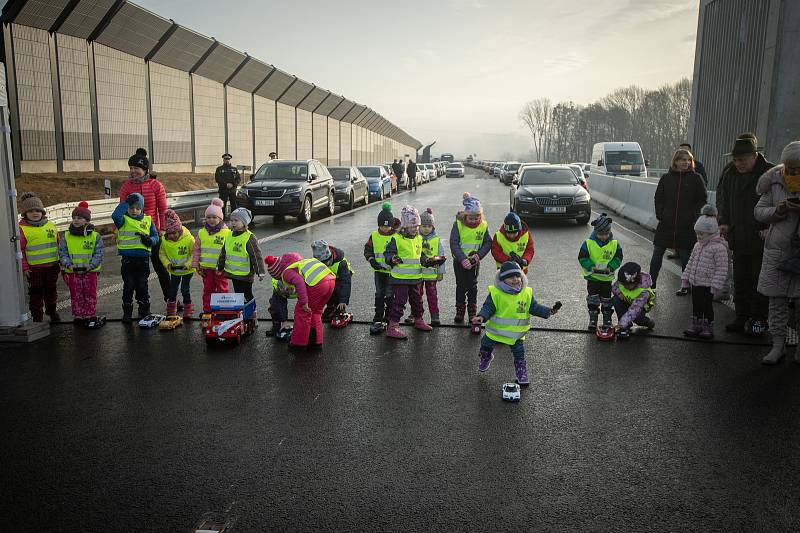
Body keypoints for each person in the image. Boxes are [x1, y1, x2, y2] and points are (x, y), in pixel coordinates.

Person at [717, 136, 774, 335]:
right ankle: (741, 315)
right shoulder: (730, 173)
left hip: (761, 238)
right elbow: (722, 198)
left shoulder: (770, 172)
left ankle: (759, 319)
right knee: (740, 279)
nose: (738, 163)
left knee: (759, 281)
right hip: (738, 235)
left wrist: (769, 227)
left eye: (742, 159)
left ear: (754, 155)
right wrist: (723, 221)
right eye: (736, 159)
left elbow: (777, 203)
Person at [471, 260, 558, 385]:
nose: (515, 279)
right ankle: (486, 356)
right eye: (511, 277)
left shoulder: (526, 293)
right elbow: (488, 307)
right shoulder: (496, 293)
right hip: (496, 331)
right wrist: (481, 317)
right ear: (502, 279)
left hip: (517, 334)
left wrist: (548, 311)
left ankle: (521, 371)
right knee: (485, 344)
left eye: (518, 276)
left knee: (519, 353)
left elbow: (534, 307)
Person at [754, 141, 800, 364]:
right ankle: (778, 345)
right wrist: (778, 210)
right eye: (790, 166)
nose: (793, 171)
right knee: (777, 302)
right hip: (777, 251)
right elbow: (759, 212)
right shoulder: (774, 181)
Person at [649, 148, 707, 293]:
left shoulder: (696, 178)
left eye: (688, 160)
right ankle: (651, 284)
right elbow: (658, 198)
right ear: (675, 161)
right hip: (666, 224)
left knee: (685, 255)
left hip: (686, 225)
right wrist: (661, 214)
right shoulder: (666, 178)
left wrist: (693, 216)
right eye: (682, 160)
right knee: (657, 253)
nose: (686, 163)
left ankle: (686, 286)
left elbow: (702, 199)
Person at [118, 148, 169, 305]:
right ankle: (138, 303)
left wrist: (162, 229)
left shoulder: (156, 185)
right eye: (131, 168)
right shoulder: (127, 187)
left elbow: (163, 210)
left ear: (145, 169)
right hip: (133, 237)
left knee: (161, 268)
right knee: (136, 274)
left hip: (153, 234)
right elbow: (121, 210)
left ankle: (170, 299)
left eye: (136, 169)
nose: (133, 171)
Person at [264, 252, 335, 350]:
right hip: (330, 280)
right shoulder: (301, 263)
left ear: (278, 273)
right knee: (315, 312)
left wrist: (304, 301)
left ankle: (299, 344)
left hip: (317, 284)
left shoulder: (286, 272)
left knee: (302, 312)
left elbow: (299, 282)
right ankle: (315, 342)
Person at [680, 205, 729, 340]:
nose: (698, 236)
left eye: (702, 234)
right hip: (696, 282)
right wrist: (685, 279)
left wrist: (716, 286)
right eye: (697, 233)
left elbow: (722, 269)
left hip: (708, 284)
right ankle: (696, 325)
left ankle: (708, 327)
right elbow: (690, 263)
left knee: (707, 306)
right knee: (696, 304)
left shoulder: (719, 248)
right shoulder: (697, 246)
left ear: (712, 232)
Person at [384, 205, 433, 339]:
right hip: (400, 278)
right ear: (404, 226)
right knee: (399, 302)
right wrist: (392, 258)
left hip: (416, 277)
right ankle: (393, 327)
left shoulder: (419, 238)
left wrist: (427, 261)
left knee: (417, 301)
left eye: (417, 226)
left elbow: (420, 255)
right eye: (412, 226)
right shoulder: (397, 239)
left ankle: (418, 320)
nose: (415, 229)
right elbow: (388, 253)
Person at [112, 192, 160, 323]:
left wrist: (150, 241)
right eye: (131, 207)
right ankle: (127, 311)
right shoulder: (123, 220)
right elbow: (115, 215)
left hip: (143, 260)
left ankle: (144, 308)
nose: (134, 210)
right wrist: (126, 202)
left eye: (138, 208)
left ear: (142, 208)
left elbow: (156, 237)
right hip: (128, 260)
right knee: (129, 286)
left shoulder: (148, 220)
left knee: (142, 285)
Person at [58, 201, 103, 327]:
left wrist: (92, 265)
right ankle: (78, 315)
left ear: (87, 221)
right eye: (74, 218)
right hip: (73, 272)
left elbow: (98, 253)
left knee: (90, 293)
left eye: (80, 218)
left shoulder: (95, 236)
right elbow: (62, 253)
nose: (76, 220)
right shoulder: (66, 236)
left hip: (90, 271)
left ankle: (90, 314)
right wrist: (68, 265)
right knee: (76, 294)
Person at [18, 192, 61, 322]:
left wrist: (61, 262)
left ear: (42, 212)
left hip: (52, 267)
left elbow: (59, 244)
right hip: (34, 270)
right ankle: (37, 317)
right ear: (25, 213)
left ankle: (52, 311)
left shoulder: (51, 225)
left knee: (51, 291)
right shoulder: (22, 229)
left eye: (38, 210)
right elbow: (21, 251)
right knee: (36, 294)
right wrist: (25, 268)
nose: (35, 213)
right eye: (30, 211)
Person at [450, 192, 491, 325]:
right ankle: (460, 310)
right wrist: (462, 259)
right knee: (461, 286)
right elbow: (454, 243)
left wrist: (478, 256)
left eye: (477, 218)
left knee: (472, 287)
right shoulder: (458, 225)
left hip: (474, 262)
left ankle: (472, 311)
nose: (474, 221)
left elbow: (487, 243)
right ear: (465, 216)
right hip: (459, 262)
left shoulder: (483, 226)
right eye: (471, 218)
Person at [216, 207, 264, 317]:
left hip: (245, 274)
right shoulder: (229, 235)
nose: (233, 223)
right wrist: (219, 267)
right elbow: (223, 253)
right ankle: (241, 314)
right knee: (238, 295)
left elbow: (256, 256)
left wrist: (260, 271)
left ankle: (252, 313)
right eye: (231, 220)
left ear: (244, 222)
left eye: (236, 220)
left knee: (248, 294)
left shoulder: (249, 237)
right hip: (233, 273)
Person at [579, 213, 623, 330]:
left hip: (606, 279)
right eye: (600, 234)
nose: (603, 237)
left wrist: (612, 267)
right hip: (592, 277)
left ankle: (607, 319)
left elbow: (618, 258)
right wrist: (590, 266)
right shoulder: (588, 243)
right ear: (596, 232)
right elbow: (582, 258)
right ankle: (593, 319)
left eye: (606, 234)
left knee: (607, 300)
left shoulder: (614, 244)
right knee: (592, 298)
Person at [192, 198, 231, 320]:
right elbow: (197, 249)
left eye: (214, 217)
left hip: (220, 269)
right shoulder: (202, 232)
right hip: (206, 269)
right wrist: (196, 265)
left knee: (222, 290)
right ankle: (207, 311)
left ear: (220, 218)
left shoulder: (226, 233)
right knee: (208, 290)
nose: (211, 220)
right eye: (208, 217)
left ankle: (222, 310)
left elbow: (229, 251)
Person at [364, 203, 398, 330]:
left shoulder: (395, 237)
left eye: (388, 226)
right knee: (379, 293)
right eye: (383, 226)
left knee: (389, 293)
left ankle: (388, 315)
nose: (385, 228)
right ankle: (378, 314)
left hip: (391, 271)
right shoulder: (374, 236)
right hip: (378, 270)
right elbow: (368, 249)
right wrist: (371, 259)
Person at [412, 208, 445, 326]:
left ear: (433, 227)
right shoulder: (415, 239)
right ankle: (415, 315)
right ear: (419, 226)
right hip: (418, 274)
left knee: (432, 296)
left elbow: (441, 257)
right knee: (416, 296)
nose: (426, 228)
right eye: (424, 226)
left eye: (429, 226)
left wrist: (440, 272)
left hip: (431, 275)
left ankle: (435, 315)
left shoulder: (436, 240)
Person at [159, 209, 196, 319]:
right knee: (172, 290)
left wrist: (188, 264)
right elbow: (162, 254)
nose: (172, 236)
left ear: (179, 230)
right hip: (174, 270)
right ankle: (171, 309)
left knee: (185, 289)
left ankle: (188, 308)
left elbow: (194, 253)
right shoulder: (165, 241)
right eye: (169, 233)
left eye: (174, 233)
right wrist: (168, 264)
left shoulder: (189, 239)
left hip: (187, 270)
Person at [311, 239, 353, 322]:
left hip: (341, 278)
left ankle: (340, 308)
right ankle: (330, 306)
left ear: (330, 257)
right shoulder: (316, 262)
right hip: (328, 278)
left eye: (327, 262)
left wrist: (343, 300)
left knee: (337, 290)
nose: (326, 265)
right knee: (326, 289)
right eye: (322, 263)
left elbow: (346, 283)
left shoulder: (341, 263)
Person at [611, 262, 656, 339]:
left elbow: (634, 310)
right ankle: (626, 325)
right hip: (628, 302)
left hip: (639, 308)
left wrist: (622, 324)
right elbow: (615, 287)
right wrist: (619, 293)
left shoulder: (643, 291)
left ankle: (648, 322)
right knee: (615, 299)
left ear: (636, 282)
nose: (624, 286)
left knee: (638, 319)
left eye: (627, 285)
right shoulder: (623, 281)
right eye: (623, 284)